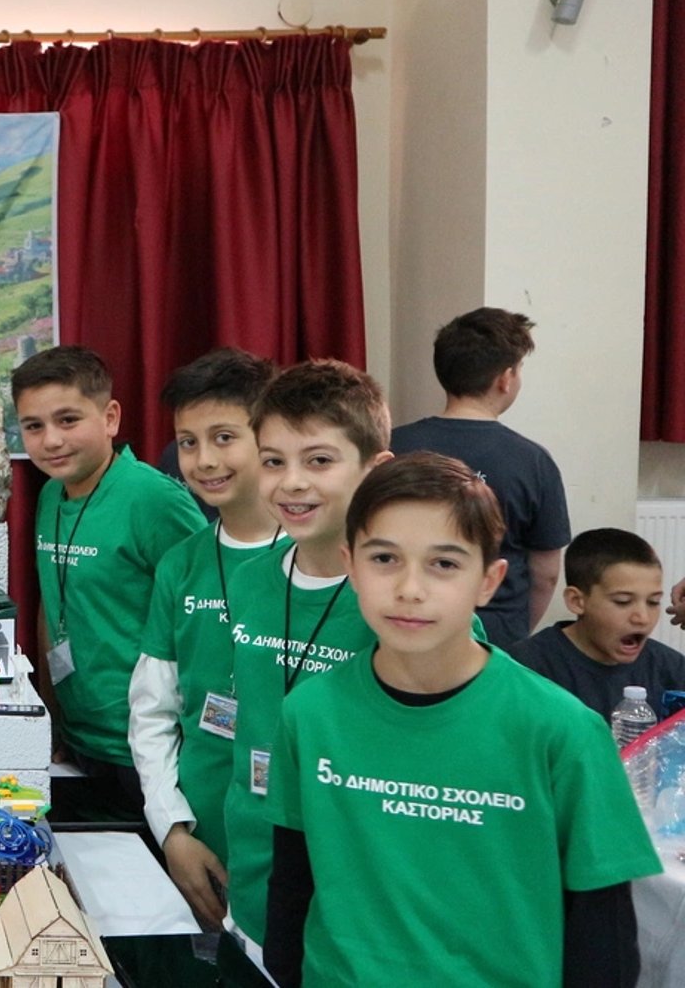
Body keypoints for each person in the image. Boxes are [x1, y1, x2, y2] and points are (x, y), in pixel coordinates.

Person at [264, 453, 660, 987]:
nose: (410, 588)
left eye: (444, 564)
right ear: (350, 564)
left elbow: (603, 935)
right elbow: (292, 886)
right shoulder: (309, 713)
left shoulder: (562, 732)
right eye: (384, 558)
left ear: (489, 581)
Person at [217, 359, 398, 970]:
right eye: (273, 461)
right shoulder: (250, 580)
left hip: (352, 918)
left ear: (375, 469)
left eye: (319, 460)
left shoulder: (406, 608)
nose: (291, 483)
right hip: (251, 890)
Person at [12, 346, 205, 818]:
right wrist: (52, 717)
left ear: (110, 417)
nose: (51, 440)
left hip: (149, 751)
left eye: (68, 420)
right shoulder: (51, 495)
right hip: (79, 742)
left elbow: (206, 618)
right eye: (33, 426)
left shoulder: (153, 499)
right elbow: (52, 603)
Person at [127, 348, 280, 931]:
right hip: (203, 835)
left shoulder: (322, 561)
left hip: (295, 844)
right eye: (188, 442)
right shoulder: (181, 564)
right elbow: (153, 710)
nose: (204, 460)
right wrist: (172, 829)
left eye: (224, 438)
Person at [390, 308, 570, 647]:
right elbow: (545, 573)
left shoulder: (391, 445)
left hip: (403, 621)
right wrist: (516, 631)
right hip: (497, 633)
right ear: (506, 378)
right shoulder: (533, 461)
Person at [511, 528, 685, 721]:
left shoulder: (671, 670)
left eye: (653, 602)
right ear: (577, 601)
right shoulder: (526, 668)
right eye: (623, 601)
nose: (642, 617)